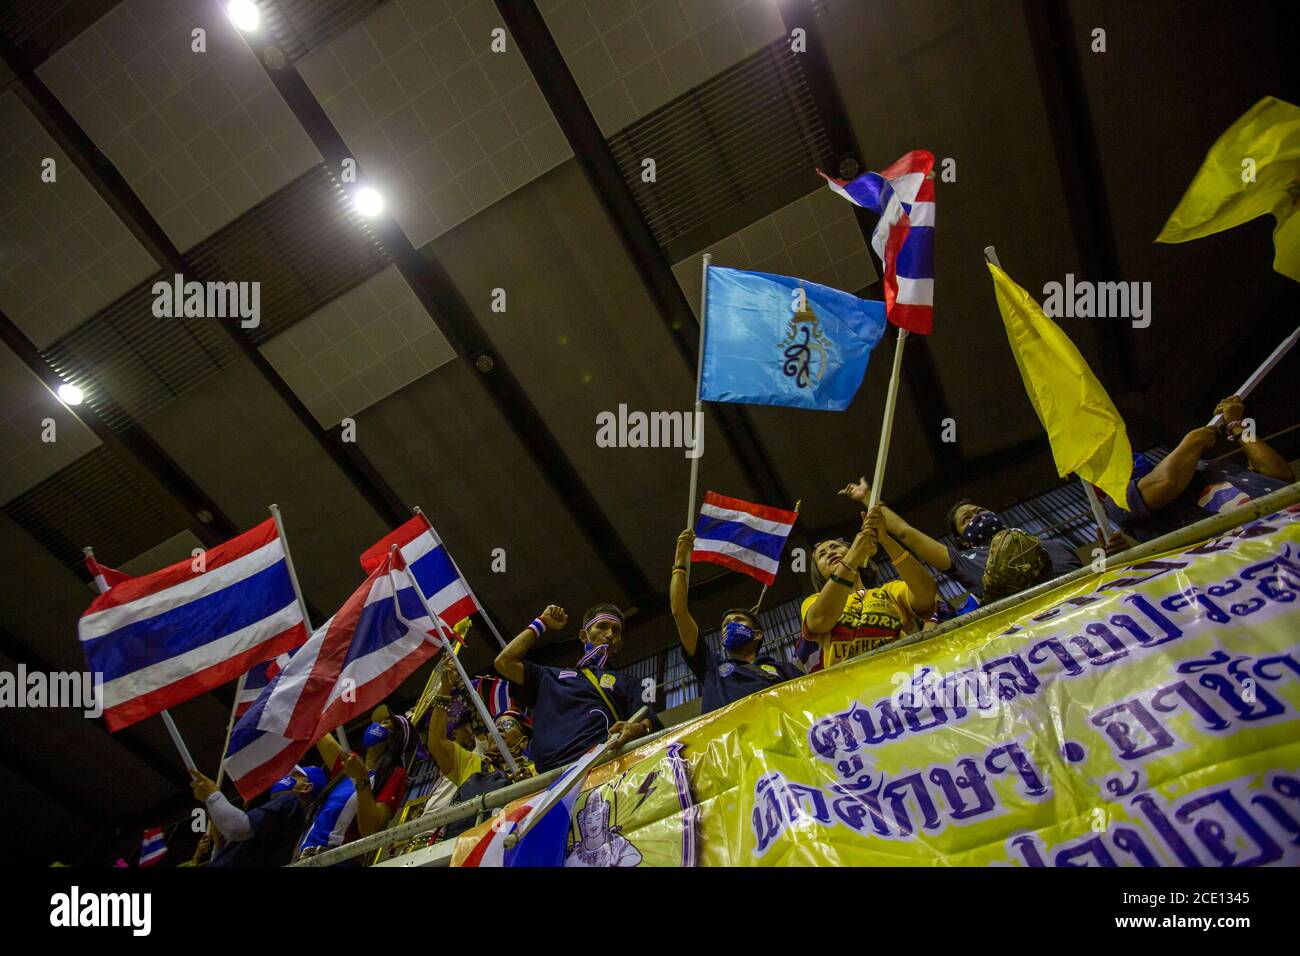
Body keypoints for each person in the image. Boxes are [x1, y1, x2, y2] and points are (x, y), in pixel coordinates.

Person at [839, 478, 1091, 602]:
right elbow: (905, 531)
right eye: (966, 519)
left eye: (979, 511)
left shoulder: (1054, 545)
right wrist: (868, 497)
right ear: (964, 541)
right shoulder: (965, 560)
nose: (976, 516)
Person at [1105, 395, 1294, 542]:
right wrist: (1193, 441)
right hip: (1252, 553)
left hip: (1289, 520)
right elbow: (1166, 482)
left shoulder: (1204, 467)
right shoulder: (1117, 501)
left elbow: (1279, 475)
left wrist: (1237, 426)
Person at [494, 604, 659, 771]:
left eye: (616, 631)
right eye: (602, 626)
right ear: (583, 636)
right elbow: (504, 662)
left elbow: (649, 718)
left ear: (618, 644)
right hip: (551, 781)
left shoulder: (636, 683)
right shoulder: (549, 676)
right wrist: (542, 622)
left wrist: (640, 728)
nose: (609, 634)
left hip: (603, 766)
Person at [669, 530, 801, 712]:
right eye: (725, 625)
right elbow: (679, 611)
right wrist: (679, 561)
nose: (730, 626)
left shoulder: (784, 669)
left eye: (738, 620)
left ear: (757, 634)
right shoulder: (711, 667)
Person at [799, 506, 937, 672]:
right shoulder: (812, 601)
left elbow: (926, 594)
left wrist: (885, 539)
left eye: (835, 547)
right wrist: (852, 557)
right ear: (818, 572)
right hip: (852, 690)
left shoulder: (887, 592)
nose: (829, 553)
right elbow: (820, 620)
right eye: (821, 554)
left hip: (903, 676)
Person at [425, 665, 536, 839]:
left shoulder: (535, 771)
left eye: (506, 725)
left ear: (523, 741)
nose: (498, 730)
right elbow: (437, 742)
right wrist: (445, 690)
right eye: (495, 726)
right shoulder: (472, 763)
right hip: (467, 846)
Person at [296, 713, 415, 859]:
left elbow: (371, 830)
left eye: (385, 723)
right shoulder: (349, 763)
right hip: (303, 858)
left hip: (337, 859)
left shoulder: (395, 774)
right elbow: (319, 730)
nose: (376, 725)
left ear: (394, 737)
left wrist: (361, 778)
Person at [188, 764, 327, 867]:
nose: (286, 777)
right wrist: (219, 844)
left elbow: (238, 828)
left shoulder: (291, 801)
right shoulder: (292, 819)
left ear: (306, 787)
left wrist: (212, 795)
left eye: (295, 775)